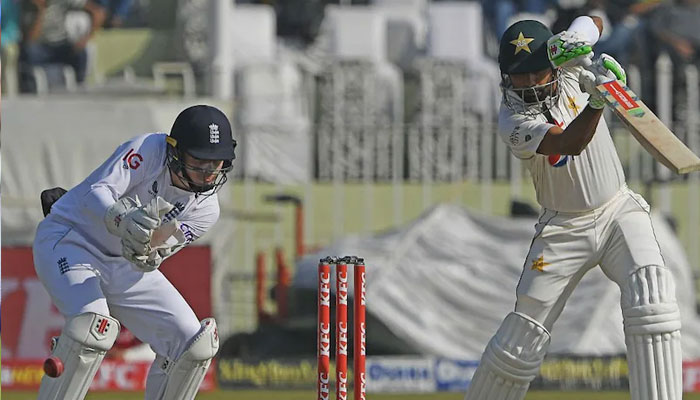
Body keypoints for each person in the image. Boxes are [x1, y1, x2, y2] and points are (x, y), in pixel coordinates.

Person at [463, 17, 682, 400]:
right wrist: (597, 101)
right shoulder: (512, 120)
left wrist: (574, 41)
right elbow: (569, 143)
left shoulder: (566, 66)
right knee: (521, 337)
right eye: (518, 76)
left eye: (535, 73)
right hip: (562, 230)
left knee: (652, 295)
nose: (528, 84)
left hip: (618, 211)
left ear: (551, 65)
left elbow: (593, 22)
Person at [32, 104, 236, 400]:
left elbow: (154, 252)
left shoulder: (206, 210)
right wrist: (123, 220)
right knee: (92, 328)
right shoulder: (149, 149)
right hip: (71, 240)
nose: (207, 174)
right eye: (199, 162)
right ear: (175, 151)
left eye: (215, 164)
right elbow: (97, 191)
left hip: (123, 264)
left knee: (191, 344)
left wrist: (150, 252)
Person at [19, 0, 106, 92]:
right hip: (40, 47)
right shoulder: (26, 6)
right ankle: (31, 87)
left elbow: (98, 12)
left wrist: (86, 38)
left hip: (62, 44)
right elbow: (31, 39)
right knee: (29, 52)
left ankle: (80, 84)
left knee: (81, 52)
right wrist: (41, 11)